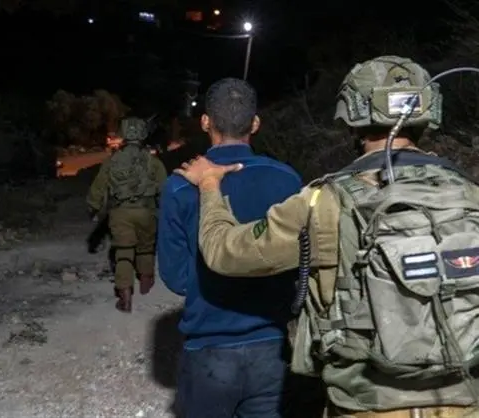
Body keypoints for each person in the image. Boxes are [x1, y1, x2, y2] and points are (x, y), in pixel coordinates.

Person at [174, 56, 479, 417]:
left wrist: (210, 185)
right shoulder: (471, 195)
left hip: (366, 405)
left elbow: (224, 252)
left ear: (351, 114)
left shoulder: (323, 202)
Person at [157, 77, 302, 418]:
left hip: (209, 349)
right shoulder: (288, 180)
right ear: (255, 123)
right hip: (272, 347)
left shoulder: (180, 186)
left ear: (205, 122)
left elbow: (177, 278)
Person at [87, 117, 167, 313]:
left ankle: (125, 297)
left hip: (120, 212)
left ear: (122, 134)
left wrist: (93, 207)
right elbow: (165, 189)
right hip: (146, 211)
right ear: (143, 135)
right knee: (146, 248)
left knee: (123, 253)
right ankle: (146, 282)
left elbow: (98, 188)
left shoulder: (112, 161)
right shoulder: (153, 162)